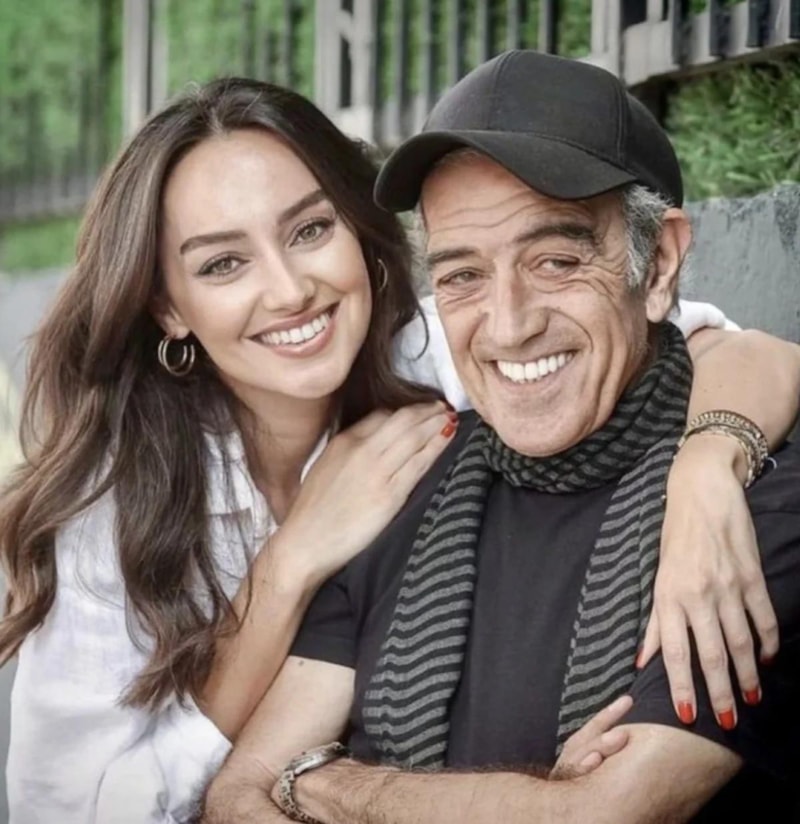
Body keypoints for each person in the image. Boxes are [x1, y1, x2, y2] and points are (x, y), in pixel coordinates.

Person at [0, 76, 796, 824]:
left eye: (310, 230)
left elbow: (720, 346)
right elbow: (83, 808)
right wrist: (290, 563)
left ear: (359, 236)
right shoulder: (112, 513)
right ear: (167, 307)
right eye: (223, 263)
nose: (289, 291)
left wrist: (708, 468)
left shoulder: (440, 352)